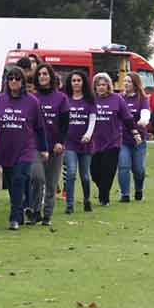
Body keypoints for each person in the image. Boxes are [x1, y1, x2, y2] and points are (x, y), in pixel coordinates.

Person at [0, 66, 48, 230]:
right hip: (6, 148)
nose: (13, 81)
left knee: (19, 178)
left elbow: (40, 128)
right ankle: (19, 211)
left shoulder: (32, 101)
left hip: (26, 148)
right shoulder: (0, 101)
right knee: (12, 183)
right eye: (10, 78)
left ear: (22, 81)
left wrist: (44, 148)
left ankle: (14, 217)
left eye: (17, 78)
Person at [29, 63, 69, 225]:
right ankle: (35, 211)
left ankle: (47, 216)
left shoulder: (61, 98)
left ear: (51, 77)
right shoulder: (32, 97)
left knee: (51, 183)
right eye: (40, 74)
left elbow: (65, 123)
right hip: (35, 146)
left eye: (45, 74)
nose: (42, 77)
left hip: (55, 147)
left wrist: (61, 142)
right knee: (37, 178)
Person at [91, 72, 139, 206]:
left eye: (103, 85)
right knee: (94, 172)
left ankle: (104, 198)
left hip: (113, 142)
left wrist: (135, 132)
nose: (101, 87)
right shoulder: (91, 99)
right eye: (98, 85)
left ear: (108, 86)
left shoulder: (117, 99)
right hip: (95, 143)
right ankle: (103, 191)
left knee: (108, 171)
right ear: (94, 87)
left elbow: (127, 117)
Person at [62, 70, 97, 213]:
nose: (76, 83)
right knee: (70, 173)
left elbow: (92, 119)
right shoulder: (65, 99)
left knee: (85, 175)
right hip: (69, 143)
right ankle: (69, 204)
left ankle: (87, 199)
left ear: (83, 83)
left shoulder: (89, 100)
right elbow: (62, 121)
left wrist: (88, 135)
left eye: (79, 80)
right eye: (73, 81)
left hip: (85, 143)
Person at [119, 72, 150, 202]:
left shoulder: (142, 99)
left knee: (139, 170)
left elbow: (145, 113)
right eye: (125, 81)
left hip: (139, 140)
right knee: (124, 166)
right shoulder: (119, 98)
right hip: (122, 139)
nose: (126, 83)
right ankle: (125, 194)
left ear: (135, 84)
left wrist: (143, 120)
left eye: (129, 81)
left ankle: (139, 189)